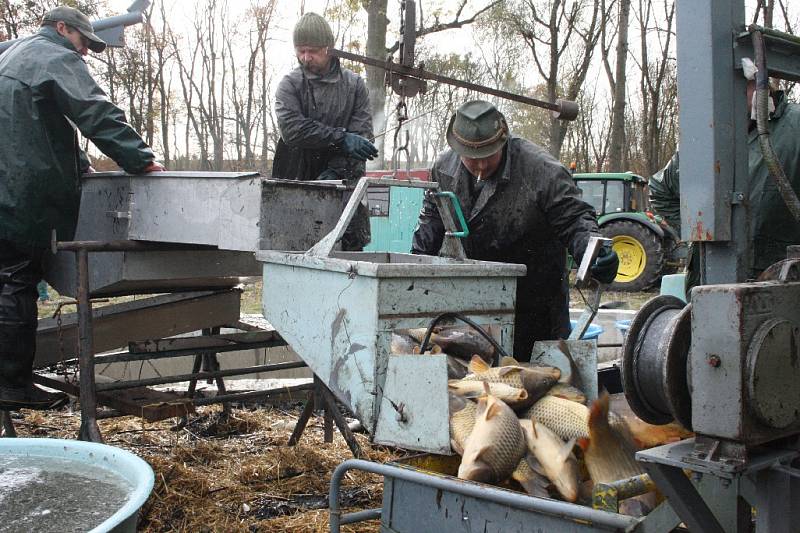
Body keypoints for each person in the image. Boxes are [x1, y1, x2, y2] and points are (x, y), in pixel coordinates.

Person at [0, 6, 165, 411]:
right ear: (61, 29)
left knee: (4, 277)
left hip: (5, 182)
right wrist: (140, 159)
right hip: (22, 191)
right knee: (16, 281)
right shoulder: (53, 55)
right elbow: (95, 111)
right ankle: (10, 385)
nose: (86, 53)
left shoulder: (10, 55)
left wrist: (79, 163)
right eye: (83, 43)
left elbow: (32, 124)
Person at [412, 100, 619, 361]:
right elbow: (430, 224)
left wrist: (593, 251)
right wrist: (412, 276)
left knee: (537, 379)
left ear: (503, 141)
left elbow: (575, 218)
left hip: (535, 302)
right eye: (471, 159)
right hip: (472, 303)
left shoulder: (542, 171)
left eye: (488, 156)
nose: (480, 167)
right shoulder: (442, 169)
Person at [649, 61, 800, 290]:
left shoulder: (794, 125)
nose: (733, 98)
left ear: (762, 85)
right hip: (710, 276)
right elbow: (661, 189)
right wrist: (699, 232)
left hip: (778, 280)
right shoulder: (707, 134)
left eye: (743, 87)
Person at [273, 11, 378, 250]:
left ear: (328, 48)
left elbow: (361, 138)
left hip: (344, 186)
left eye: (313, 50)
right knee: (293, 252)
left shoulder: (354, 85)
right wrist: (341, 138)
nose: (306, 57)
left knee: (349, 259)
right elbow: (292, 130)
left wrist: (337, 172)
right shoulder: (290, 84)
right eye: (301, 51)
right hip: (295, 182)